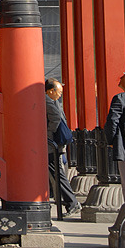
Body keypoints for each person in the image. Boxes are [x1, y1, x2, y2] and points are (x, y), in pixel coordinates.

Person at [45, 78, 81, 217]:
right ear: (50, 91)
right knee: (57, 173)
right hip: (53, 142)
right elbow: (56, 117)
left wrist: (47, 134)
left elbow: (55, 118)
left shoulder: (49, 101)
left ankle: (72, 203)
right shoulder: (50, 101)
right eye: (58, 91)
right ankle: (70, 202)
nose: (60, 94)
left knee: (57, 173)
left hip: (51, 143)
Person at [104, 71, 125, 203]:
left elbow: (112, 122)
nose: (119, 78)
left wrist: (111, 140)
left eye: (124, 75)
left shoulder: (120, 98)